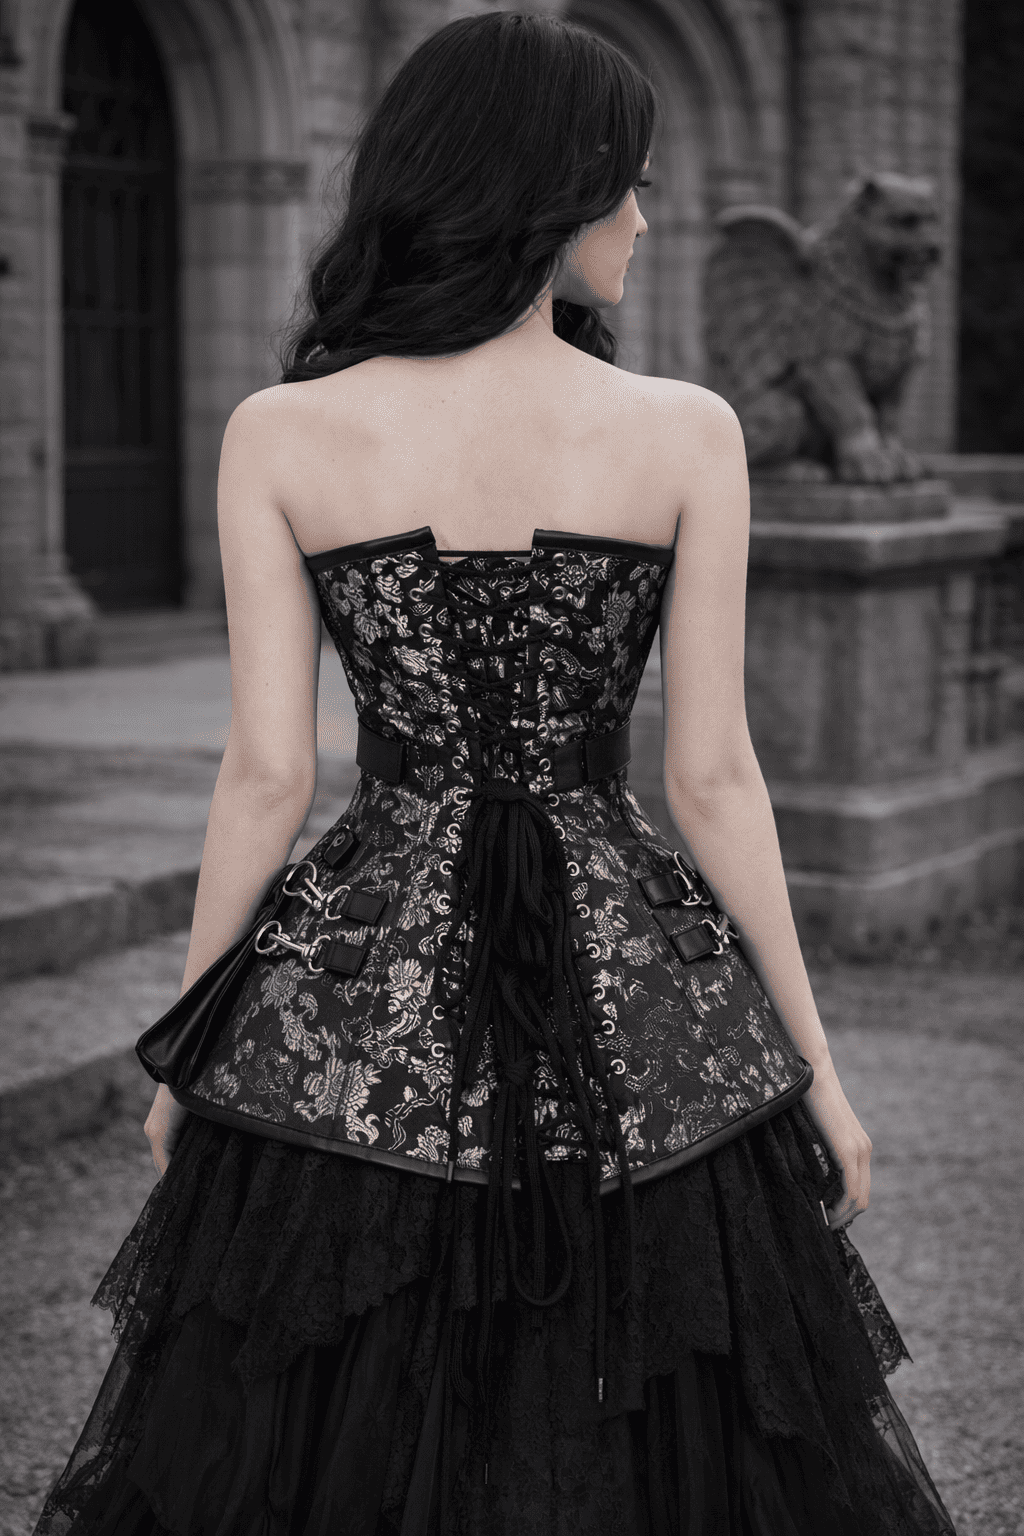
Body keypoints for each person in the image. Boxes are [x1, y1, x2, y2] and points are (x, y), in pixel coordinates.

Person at [36, 13, 957, 1536]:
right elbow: (713, 776)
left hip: (361, 989)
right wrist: (818, 1069)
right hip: (630, 986)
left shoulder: (280, 431)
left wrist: (198, 1047)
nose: (648, 220)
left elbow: (270, 772)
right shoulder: (686, 433)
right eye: (630, 187)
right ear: (555, 189)